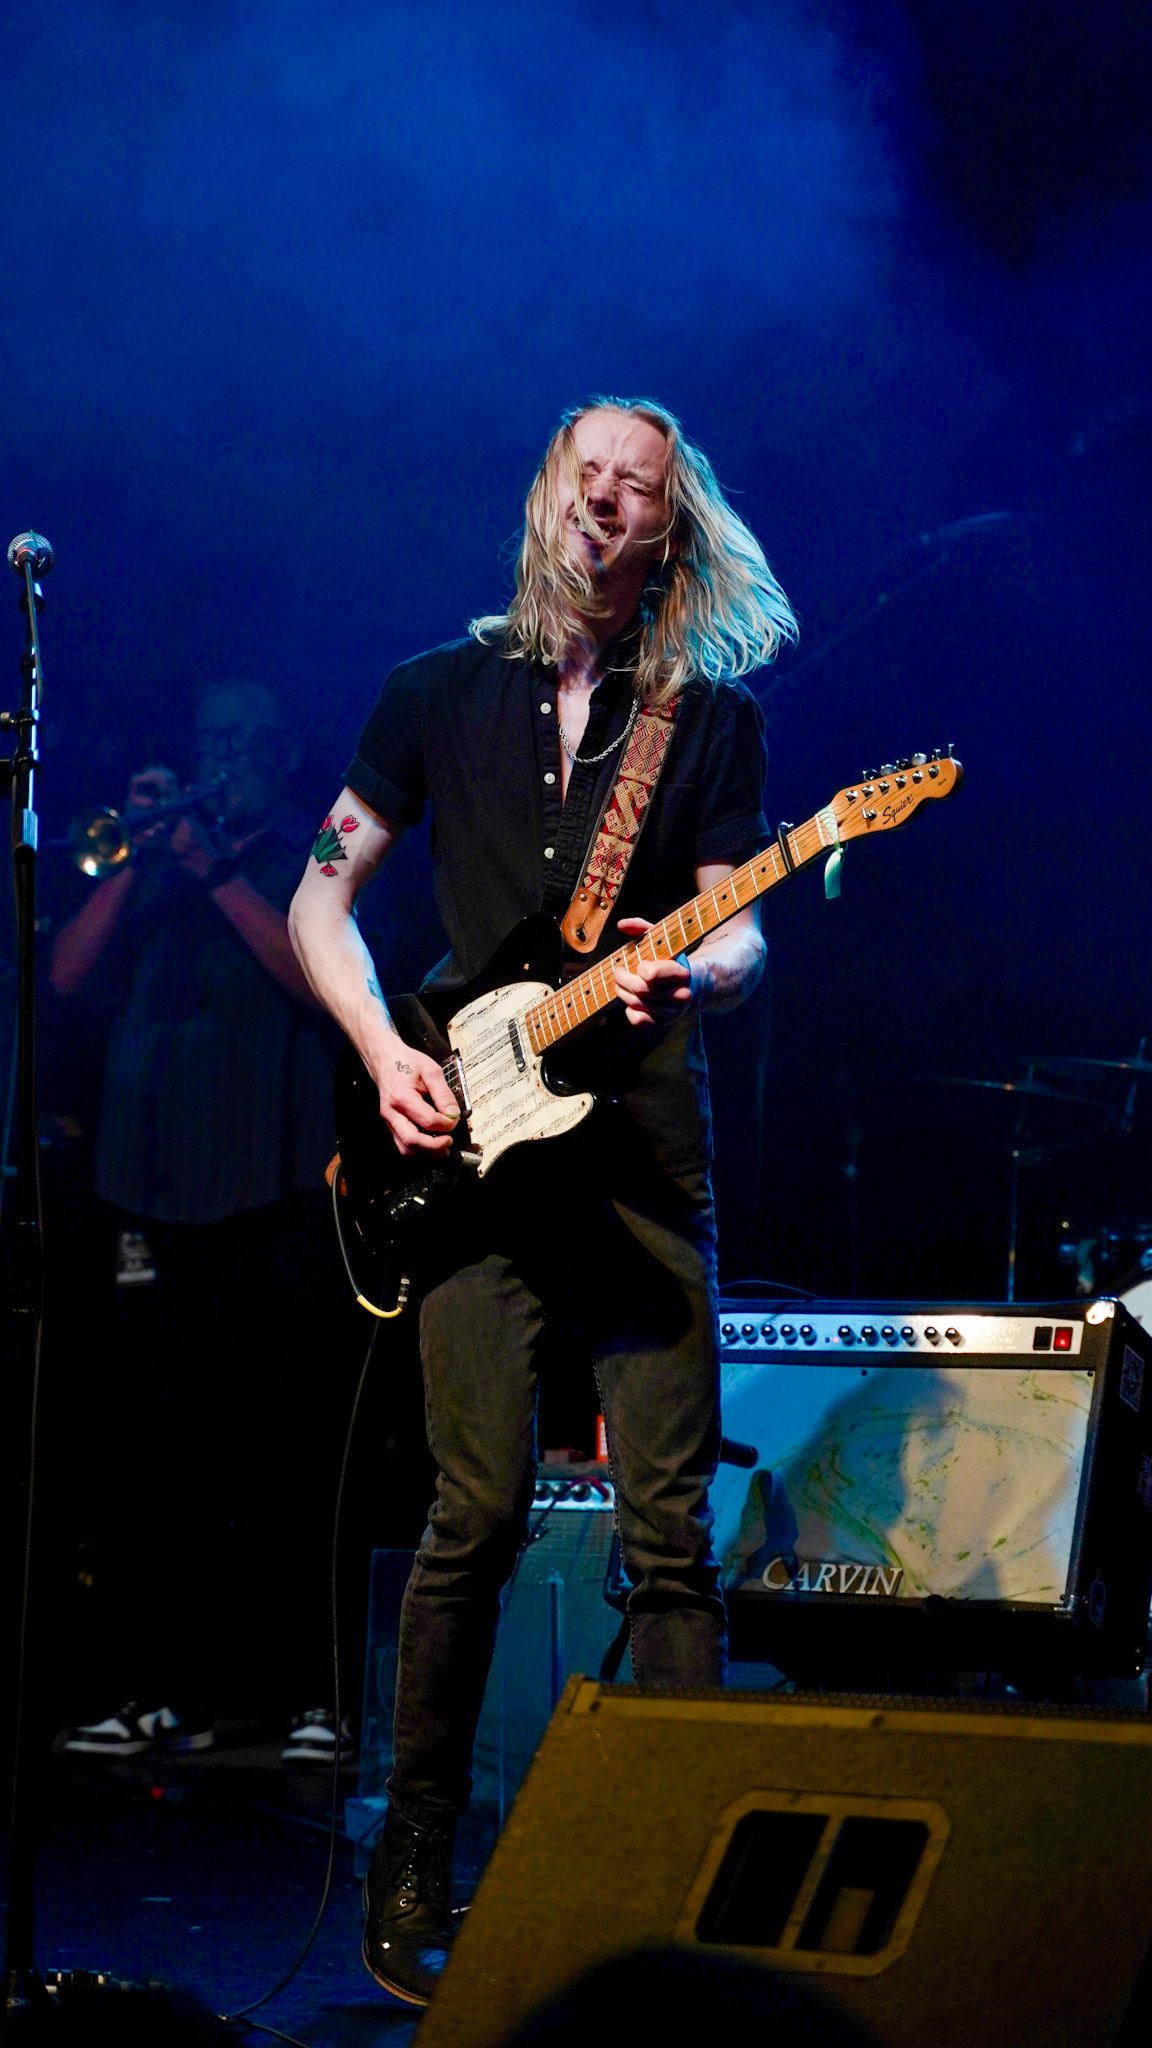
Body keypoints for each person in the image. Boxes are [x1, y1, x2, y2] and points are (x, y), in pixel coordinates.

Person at [288, 397, 797, 2003]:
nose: (603, 501)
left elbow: (736, 924)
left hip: (639, 1145)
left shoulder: (705, 720)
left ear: (667, 529)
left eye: (635, 488)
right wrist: (385, 1053)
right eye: (586, 475)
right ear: (547, 495)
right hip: (470, 1144)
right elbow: (321, 895)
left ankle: (693, 1882)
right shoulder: (434, 692)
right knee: (477, 1513)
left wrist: (698, 979)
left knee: (670, 1540)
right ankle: (415, 1855)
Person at [49, 682, 350, 1766]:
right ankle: (163, 1691)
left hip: (271, 1187)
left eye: (242, 744)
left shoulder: (317, 850)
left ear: (285, 752)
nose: (222, 762)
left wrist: (215, 870)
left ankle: (309, 1694)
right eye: (209, 743)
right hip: (149, 1185)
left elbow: (321, 982)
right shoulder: (155, 871)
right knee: (158, 1453)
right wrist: (140, 862)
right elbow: (65, 977)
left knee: (283, 1452)